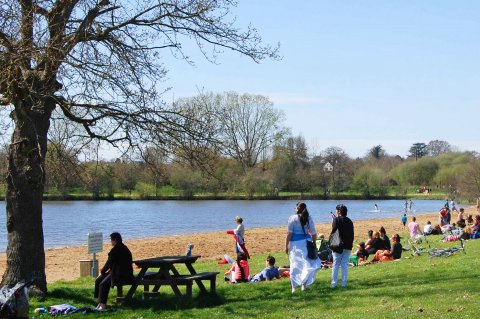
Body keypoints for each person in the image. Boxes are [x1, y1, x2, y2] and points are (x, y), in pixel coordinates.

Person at [285, 202, 321, 293]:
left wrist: (286, 245)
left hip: (295, 245)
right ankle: (303, 285)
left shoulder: (292, 218)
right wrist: (314, 243)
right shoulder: (308, 218)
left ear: (298, 209)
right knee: (306, 263)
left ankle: (293, 287)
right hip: (306, 242)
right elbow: (314, 233)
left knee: (294, 264)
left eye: (295, 208)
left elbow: (289, 233)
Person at [94, 232, 134, 310]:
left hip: (120, 275)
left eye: (111, 240)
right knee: (98, 280)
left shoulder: (115, 251)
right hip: (126, 274)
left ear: (114, 240)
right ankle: (98, 301)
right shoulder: (125, 248)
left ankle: (103, 305)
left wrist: (102, 272)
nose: (110, 242)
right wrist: (103, 273)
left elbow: (108, 264)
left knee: (103, 284)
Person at [330, 204, 354, 289]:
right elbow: (352, 234)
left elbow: (334, 233)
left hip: (338, 245)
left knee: (336, 264)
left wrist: (331, 243)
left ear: (339, 211)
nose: (336, 211)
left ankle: (333, 284)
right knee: (344, 265)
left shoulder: (336, 220)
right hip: (347, 245)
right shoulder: (349, 221)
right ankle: (343, 284)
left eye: (337, 210)